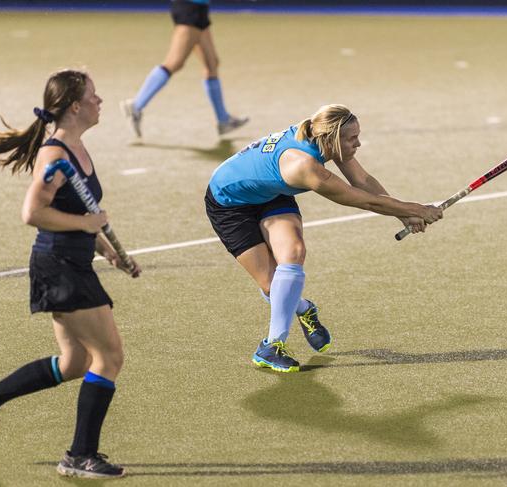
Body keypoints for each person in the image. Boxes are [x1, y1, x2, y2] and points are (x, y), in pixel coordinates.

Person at [0, 69, 141, 479]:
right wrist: (87, 227)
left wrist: (108, 252)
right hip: (58, 266)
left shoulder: (76, 149)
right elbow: (34, 213)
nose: (99, 101)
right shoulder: (55, 155)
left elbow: (78, 214)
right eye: (93, 96)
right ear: (76, 106)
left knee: (76, 361)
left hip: (72, 261)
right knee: (110, 356)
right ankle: (80, 456)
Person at [205, 104, 442, 373]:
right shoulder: (304, 165)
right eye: (353, 139)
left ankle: (271, 346)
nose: (359, 143)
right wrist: (416, 209)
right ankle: (304, 309)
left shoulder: (324, 136)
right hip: (230, 202)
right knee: (273, 285)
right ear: (332, 139)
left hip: (270, 193)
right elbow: (362, 200)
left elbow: (362, 181)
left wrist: (403, 215)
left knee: (293, 253)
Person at [121, 0, 248, 138]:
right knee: (174, 62)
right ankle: (136, 106)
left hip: (198, 8)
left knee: (212, 64)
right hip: (190, 7)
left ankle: (223, 120)